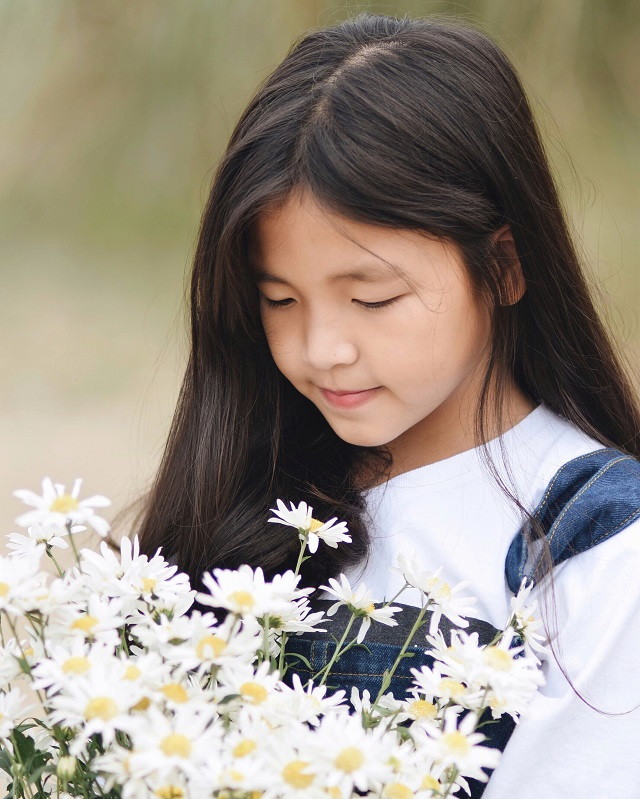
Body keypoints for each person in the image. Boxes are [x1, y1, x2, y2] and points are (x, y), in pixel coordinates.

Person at [138, 13, 640, 797]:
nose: (320, 347)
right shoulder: (254, 489)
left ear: (504, 266)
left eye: (372, 298)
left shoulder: (596, 542)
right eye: (279, 299)